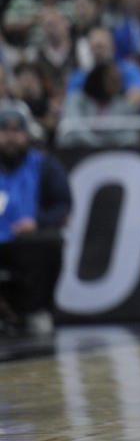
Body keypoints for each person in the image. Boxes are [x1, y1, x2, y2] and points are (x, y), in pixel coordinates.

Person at [0, 107, 71, 336]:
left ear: (26, 134)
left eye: (16, 130)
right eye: (4, 130)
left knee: (51, 243)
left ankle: (37, 310)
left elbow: (62, 204)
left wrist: (37, 222)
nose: (11, 136)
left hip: (24, 239)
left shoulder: (44, 164)